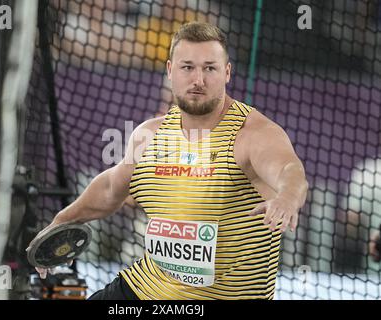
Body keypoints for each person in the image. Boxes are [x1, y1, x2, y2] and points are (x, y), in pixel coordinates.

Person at [30, 21, 308, 300]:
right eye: (187, 67)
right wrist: (65, 219)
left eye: (209, 68)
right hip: (145, 291)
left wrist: (287, 198)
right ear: (170, 71)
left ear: (227, 73)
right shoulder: (149, 135)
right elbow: (111, 188)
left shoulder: (252, 134)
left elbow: (289, 169)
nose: (198, 79)